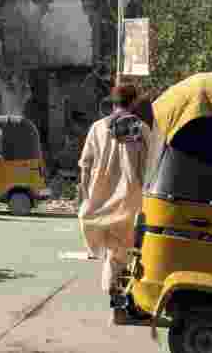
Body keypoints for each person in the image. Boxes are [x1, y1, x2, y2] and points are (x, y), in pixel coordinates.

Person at [78, 83, 151, 295]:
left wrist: (85, 195)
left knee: (113, 252)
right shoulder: (142, 129)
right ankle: (119, 294)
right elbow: (150, 166)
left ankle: (115, 293)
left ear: (113, 101)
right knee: (124, 252)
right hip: (130, 200)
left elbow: (85, 165)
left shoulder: (97, 128)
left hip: (99, 200)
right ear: (134, 101)